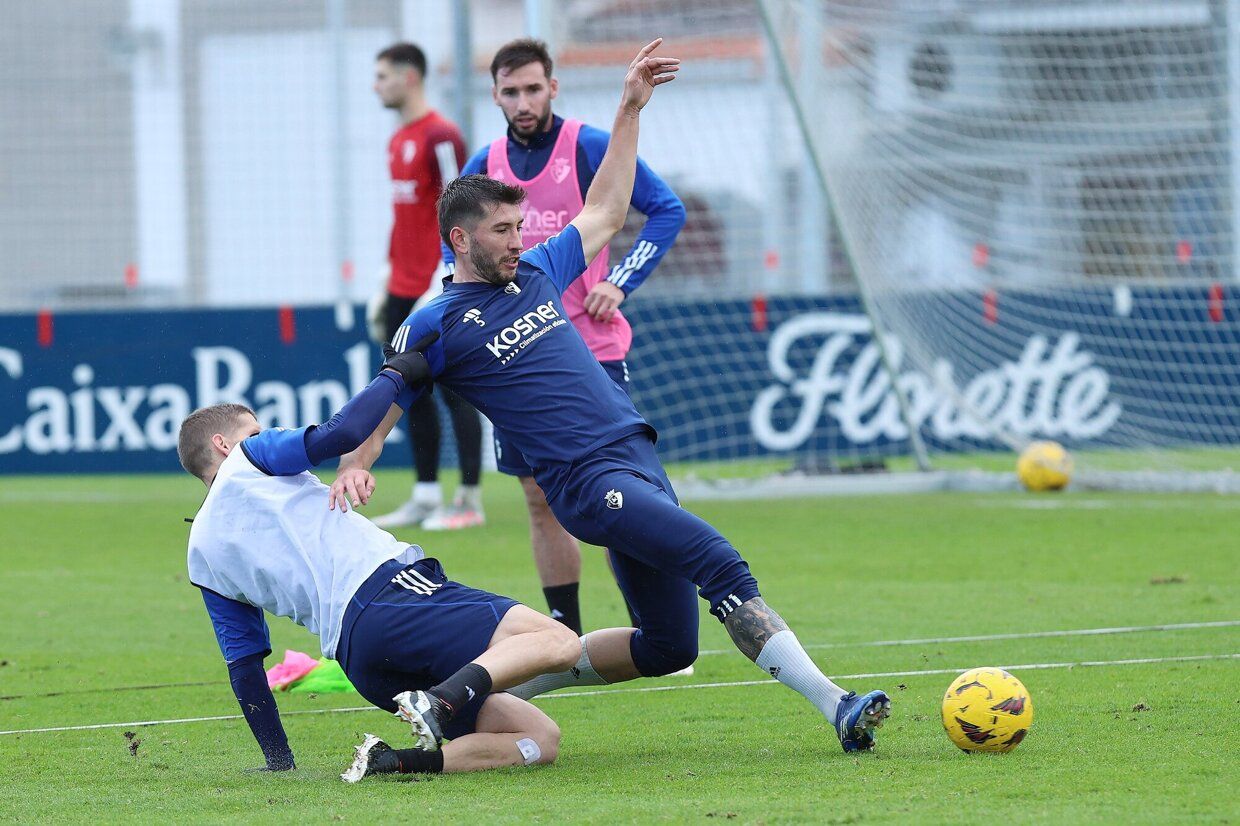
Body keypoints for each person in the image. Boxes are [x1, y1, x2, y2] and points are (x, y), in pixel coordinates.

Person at [334, 39, 892, 753]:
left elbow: (606, 208)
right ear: (459, 240)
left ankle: (474, 693)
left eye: (519, 226)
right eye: (503, 230)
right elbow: (385, 399)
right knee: (720, 563)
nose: (519, 239)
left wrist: (629, 108)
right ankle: (839, 706)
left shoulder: (536, 269)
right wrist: (359, 459)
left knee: (665, 644)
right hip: (587, 481)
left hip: (635, 457)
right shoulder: (436, 322)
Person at [176, 350, 583, 780]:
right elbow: (343, 431)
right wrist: (395, 375)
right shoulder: (249, 458)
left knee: (539, 736)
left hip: (361, 661)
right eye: (254, 430)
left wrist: (279, 760)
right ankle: (442, 699)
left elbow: (244, 666)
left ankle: (395, 761)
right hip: (393, 597)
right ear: (224, 444)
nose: (265, 434)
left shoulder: (200, 551)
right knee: (560, 641)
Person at [440, 38, 686, 636]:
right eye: (510, 91)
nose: (522, 101)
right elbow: (454, 251)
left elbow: (665, 210)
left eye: (532, 88)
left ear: (553, 88)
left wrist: (621, 282)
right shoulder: (483, 163)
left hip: (590, 352)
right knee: (537, 499)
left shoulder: (587, 146)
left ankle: (650, 621)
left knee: (617, 495)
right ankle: (564, 631)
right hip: (515, 359)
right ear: (495, 95)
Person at [370, 41, 485, 531]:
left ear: (409, 77)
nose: (376, 86)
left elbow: (458, 208)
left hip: (435, 287)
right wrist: (385, 275)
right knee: (405, 386)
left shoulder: (441, 136)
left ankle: (469, 498)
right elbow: (404, 218)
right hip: (400, 284)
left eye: (382, 76)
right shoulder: (397, 141)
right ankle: (424, 492)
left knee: (454, 389)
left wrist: (445, 280)